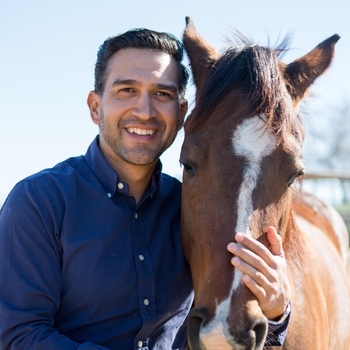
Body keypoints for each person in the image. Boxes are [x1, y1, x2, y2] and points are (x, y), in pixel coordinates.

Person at [0, 27, 291, 349]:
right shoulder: (39, 202)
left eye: (162, 94)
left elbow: (226, 331)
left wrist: (276, 311)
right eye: (126, 90)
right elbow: (19, 336)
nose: (145, 111)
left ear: (182, 113)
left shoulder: (193, 206)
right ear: (95, 107)